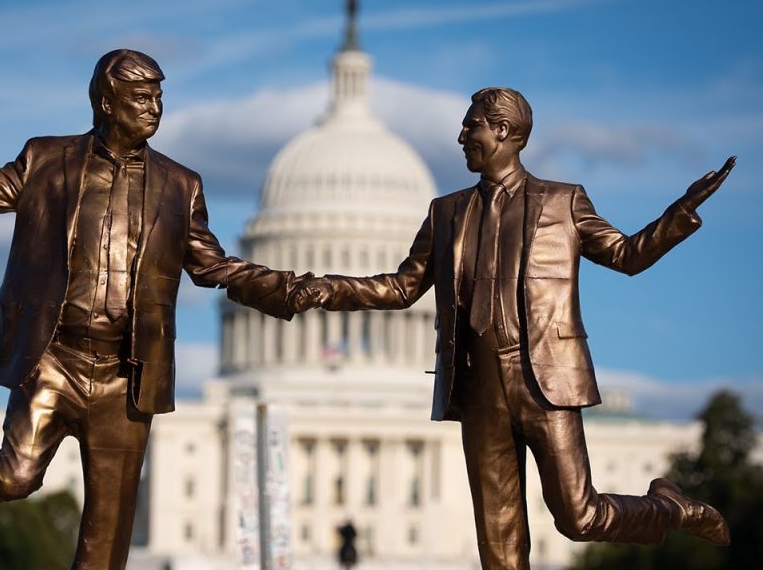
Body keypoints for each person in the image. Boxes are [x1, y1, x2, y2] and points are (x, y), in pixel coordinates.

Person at [0, 49, 307, 569]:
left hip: (128, 374)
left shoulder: (181, 186)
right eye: (141, 97)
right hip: (55, 357)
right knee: (16, 476)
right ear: (106, 101)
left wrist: (298, 289)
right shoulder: (48, 160)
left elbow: (215, 268)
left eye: (159, 97)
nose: (154, 108)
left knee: (106, 546)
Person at [291, 87, 734, 569]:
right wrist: (317, 290)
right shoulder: (446, 212)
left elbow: (627, 256)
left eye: (471, 126)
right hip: (478, 386)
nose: (461, 136)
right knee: (499, 549)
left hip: (543, 380)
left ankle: (670, 507)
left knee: (578, 517)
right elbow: (399, 288)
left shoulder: (563, 202)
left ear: (502, 131)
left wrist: (680, 214)